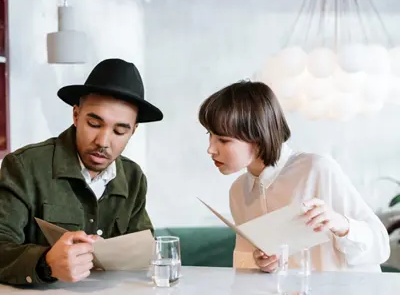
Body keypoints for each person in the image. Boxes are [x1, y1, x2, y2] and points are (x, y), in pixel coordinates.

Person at [0, 58, 163, 285]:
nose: (103, 141)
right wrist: (45, 263)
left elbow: (142, 251)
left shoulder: (134, 177)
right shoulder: (24, 166)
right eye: (94, 124)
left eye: (119, 131)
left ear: (133, 131)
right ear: (76, 115)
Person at [198, 80, 390, 273]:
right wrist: (262, 264)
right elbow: (245, 272)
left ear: (257, 137)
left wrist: (342, 225)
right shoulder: (238, 191)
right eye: (210, 135)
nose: (210, 149)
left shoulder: (316, 169)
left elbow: (381, 247)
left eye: (223, 140)